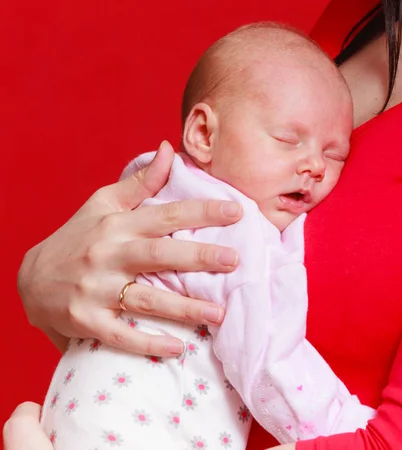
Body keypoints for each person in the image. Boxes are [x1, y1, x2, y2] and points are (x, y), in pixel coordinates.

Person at [8, 0, 402, 449]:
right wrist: (42, 280)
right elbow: (189, 324)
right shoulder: (353, 23)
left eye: (333, 155)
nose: (315, 167)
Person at [39, 22, 376, 450]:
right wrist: (352, 425)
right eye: (287, 140)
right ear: (203, 134)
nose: (315, 165)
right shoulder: (229, 227)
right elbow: (267, 357)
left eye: (335, 154)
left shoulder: (162, 196)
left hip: (76, 420)